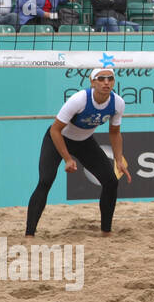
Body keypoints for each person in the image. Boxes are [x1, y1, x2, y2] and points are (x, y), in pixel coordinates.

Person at [26, 67, 131, 237]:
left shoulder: (118, 103)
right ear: (92, 82)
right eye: (101, 78)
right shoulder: (79, 99)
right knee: (45, 181)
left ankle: (106, 232)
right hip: (58, 139)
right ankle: (29, 234)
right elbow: (55, 130)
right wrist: (67, 158)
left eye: (110, 78)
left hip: (84, 141)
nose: (106, 82)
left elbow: (114, 133)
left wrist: (119, 160)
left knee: (111, 181)